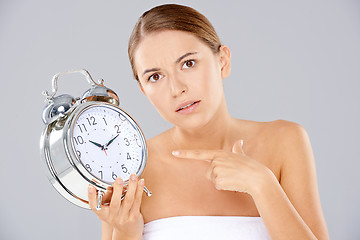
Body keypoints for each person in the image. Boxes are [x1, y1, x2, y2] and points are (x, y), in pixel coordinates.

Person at [87, 3, 329, 240]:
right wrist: (126, 233)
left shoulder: (284, 141)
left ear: (222, 61)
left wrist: (262, 184)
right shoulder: (130, 170)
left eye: (188, 63)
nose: (176, 89)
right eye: (155, 76)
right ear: (143, 89)